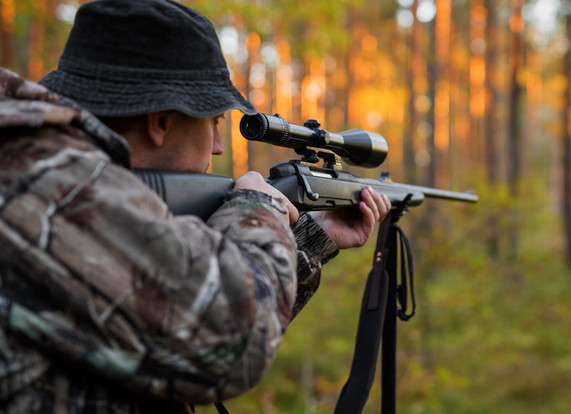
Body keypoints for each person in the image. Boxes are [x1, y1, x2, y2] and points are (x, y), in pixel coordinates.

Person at [0, 0, 390, 412]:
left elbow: (169, 331)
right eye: (215, 124)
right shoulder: (45, 180)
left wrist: (309, 240)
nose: (219, 147)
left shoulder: (41, 172)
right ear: (162, 122)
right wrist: (258, 209)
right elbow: (229, 343)